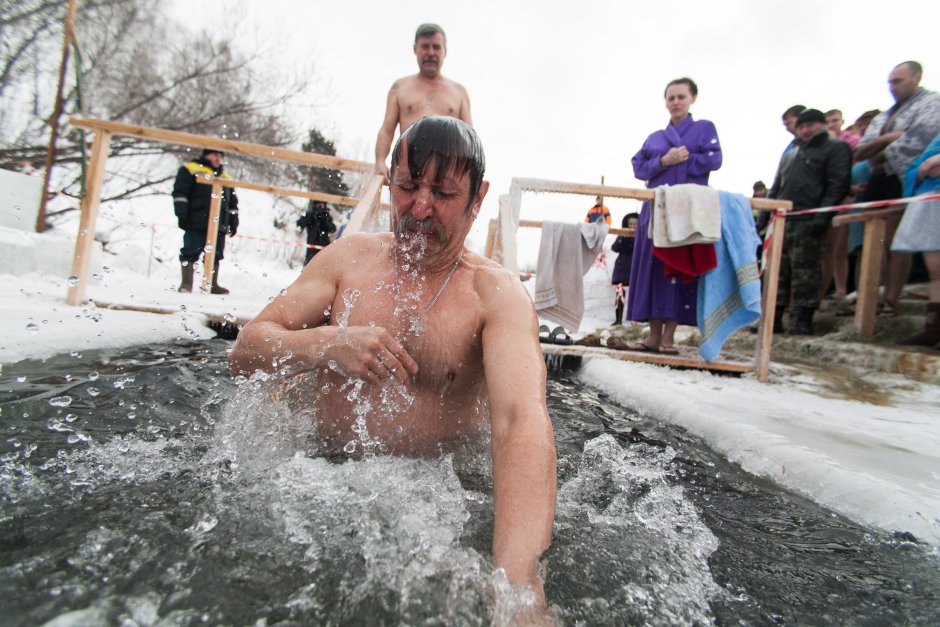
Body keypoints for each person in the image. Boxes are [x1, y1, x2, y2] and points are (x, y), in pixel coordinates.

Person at [229, 116, 557, 609]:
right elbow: (246, 352)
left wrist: (519, 587)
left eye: (443, 193)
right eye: (407, 186)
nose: (420, 207)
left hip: (434, 505)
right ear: (389, 182)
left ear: (477, 198)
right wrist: (324, 344)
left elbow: (520, 422)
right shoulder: (348, 261)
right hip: (316, 484)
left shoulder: (496, 295)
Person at [625, 77, 722, 354]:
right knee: (652, 269)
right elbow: (638, 166)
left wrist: (687, 159)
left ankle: (669, 337)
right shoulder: (656, 137)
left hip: (687, 209)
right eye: (671, 97)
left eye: (681, 96)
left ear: (692, 98)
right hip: (656, 208)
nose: (676, 102)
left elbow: (715, 159)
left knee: (677, 267)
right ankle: (652, 336)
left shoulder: (704, 129)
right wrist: (663, 161)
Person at [854, 61, 940, 317]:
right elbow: (859, 151)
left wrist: (878, 149)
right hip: (877, 181)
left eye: (898, 81)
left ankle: (892, 299)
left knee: (900, 239)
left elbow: (918, 142)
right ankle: (871, 298)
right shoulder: (884, 115)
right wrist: (888, 138)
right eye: (890, 82)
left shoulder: (932, 103)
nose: (892, 87)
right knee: (874, 240)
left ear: (916, 78)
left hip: (909, 178)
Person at [768, 109, 852, 335]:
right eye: (802, 126)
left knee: (805, 270)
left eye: (810, 125)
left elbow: (838, 183)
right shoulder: (791, 154)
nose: (805, 130)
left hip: (810, 217)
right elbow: (777, 187)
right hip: (784, 219)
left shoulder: (835, 148)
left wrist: (823, 215)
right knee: (779, 270)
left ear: (822, 125)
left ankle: (802, 319)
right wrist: (764, 219)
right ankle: (773, 318)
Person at [374, 24, 472, 180]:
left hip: (446, 176)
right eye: (425, 47)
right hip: (407, 173)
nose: (431, 53)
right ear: (415, 49)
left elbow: (469, 138)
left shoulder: (459, 92)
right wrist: (380, 162)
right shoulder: (399, 87)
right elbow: (387, 130)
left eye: (436, 47)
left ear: (445, 51)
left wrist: (468, 175)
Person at [891, 132, 940, 347]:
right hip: (930, 203)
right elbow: (914, 169)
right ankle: (934, 328)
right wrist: (922, 170)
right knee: (936, 268)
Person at [172, 148, 239, 293]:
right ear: (206, 155)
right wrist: (182, 215)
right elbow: (180, 193)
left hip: (219, 224)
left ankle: (211, 284)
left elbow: (232, 203)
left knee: (216, 254)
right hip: (196, 221)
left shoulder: (225, 177)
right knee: (190, 252)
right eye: (215, 155)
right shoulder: (191, 169)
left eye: (221, 156)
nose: (218, 159)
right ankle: (186, 284)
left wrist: (233, 221)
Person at [611, 212, 638, 325]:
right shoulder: (622, 234)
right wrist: (622, 237)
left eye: (635, 224)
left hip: (635, 266)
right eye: (630, 224)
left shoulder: (641, 235)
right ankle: (618, 320)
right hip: (622, 267)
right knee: (620, 294)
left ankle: (635, 320)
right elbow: (615, 248)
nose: (632, 226)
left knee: (636, 294)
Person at [296, 200, 336, 266]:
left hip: (324, 247)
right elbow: (299, 224)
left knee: (322, 267)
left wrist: (324, 220)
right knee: (309, 266)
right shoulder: (310, 215)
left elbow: (332, 229)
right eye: (318, 204)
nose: (320, 206)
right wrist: (309, 216)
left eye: (322, 205)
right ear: (315, 205)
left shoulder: (327, 216)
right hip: (311, 247)